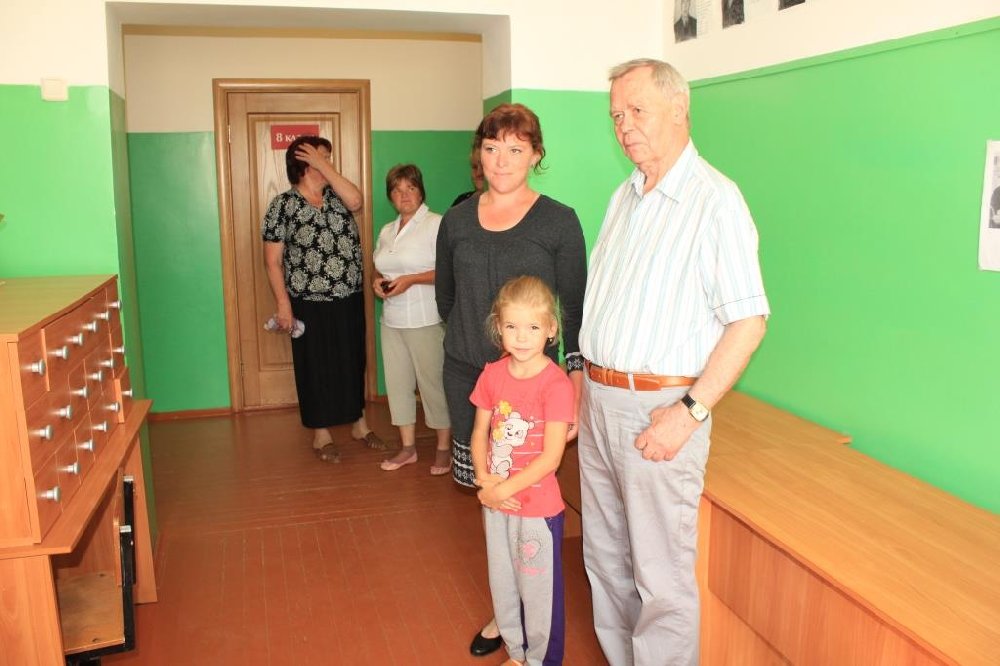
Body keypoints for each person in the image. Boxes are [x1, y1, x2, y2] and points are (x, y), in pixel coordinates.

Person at [578, 59, 769, 665]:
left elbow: (749, 321)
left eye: (638, 111)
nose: (624, 127)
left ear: (680, 109)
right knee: (605, 559)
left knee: (660, 579)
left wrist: (689, 411)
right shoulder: (625, 196)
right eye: (616, 115)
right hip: (598, 400)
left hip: (659, 409)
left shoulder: (716, 202)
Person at [435, 102, 587, 657]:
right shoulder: (456, 221)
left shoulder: (559, 221)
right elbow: (447, 300)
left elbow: (575, 308)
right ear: (479, 152)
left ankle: (531, 617)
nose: (501, 160)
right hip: (473, 383)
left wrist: (576, 383)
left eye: (516, 149)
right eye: (492, 147)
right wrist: (482, 359)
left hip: (535, 393)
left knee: (527, 499)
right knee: (493, 499)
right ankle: (505, 613)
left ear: (535, 155)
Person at [262, 135, 386, 463]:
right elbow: (272, 262)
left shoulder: (338, 196)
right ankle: (321, 433)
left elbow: (357, 201)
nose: (328, 162)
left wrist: (324, 166)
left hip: (348, 295)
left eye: (328, 157)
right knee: (314, 365)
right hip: (307, 301)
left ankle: (359, 424)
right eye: (322, 157)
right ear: (304, 163)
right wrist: (283, 304)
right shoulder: (282, 205)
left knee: (352, 360)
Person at [470, 276, 573, 666]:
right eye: (512, 326)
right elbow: (479, 433)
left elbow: (551, 458)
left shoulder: (556, 384)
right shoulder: (492, 375)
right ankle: (516, 653)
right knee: (504, 583)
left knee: (538, 591)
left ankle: (541, 660)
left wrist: (500, 490)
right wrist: (484, 479)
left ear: (551, 329)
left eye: (533, 327)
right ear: (499, 327)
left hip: (536, 510)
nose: (522, 337)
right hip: (497, 503)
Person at [372, 164, 452, 474]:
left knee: (433, 385)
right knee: (398, 385)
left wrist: (412, 280)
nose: (404, 195)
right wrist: (376, 282)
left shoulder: (436, 224)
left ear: (421, 191)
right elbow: (379, 267)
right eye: (397, 190)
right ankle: (407, 448)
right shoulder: (387, 231)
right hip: (392, 321)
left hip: (425, 319)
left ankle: (443, 448)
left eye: (410, 188)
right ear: (390, 196)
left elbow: (448, 271)